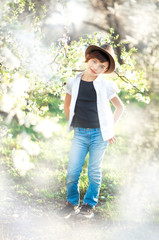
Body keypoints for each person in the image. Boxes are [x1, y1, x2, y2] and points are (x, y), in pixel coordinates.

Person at [59, 43, 124, 219]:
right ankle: (71, 204)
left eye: (102, 66)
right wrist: (72, 120)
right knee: (73, 170)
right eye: (94, 62)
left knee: (94, 171)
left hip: (99, 135)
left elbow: (120, 107)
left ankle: (89, 205)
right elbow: (67, 104)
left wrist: (109, 129)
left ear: (106, 69)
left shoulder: (105, 85)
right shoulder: (73, 82)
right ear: (87, 59)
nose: (96, 67)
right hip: (80, 133)